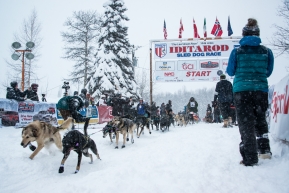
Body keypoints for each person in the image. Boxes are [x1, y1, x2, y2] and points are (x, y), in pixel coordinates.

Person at [227, 18, 274, 166]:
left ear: (243, 35)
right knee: (260, 119)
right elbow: (268, 72)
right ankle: (265, 150)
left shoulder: (237, 52)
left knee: (246, 124)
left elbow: (230, 71)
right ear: (257, 34)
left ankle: (250, 158)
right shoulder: (267, 51)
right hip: (260, 90)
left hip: (241, 91)